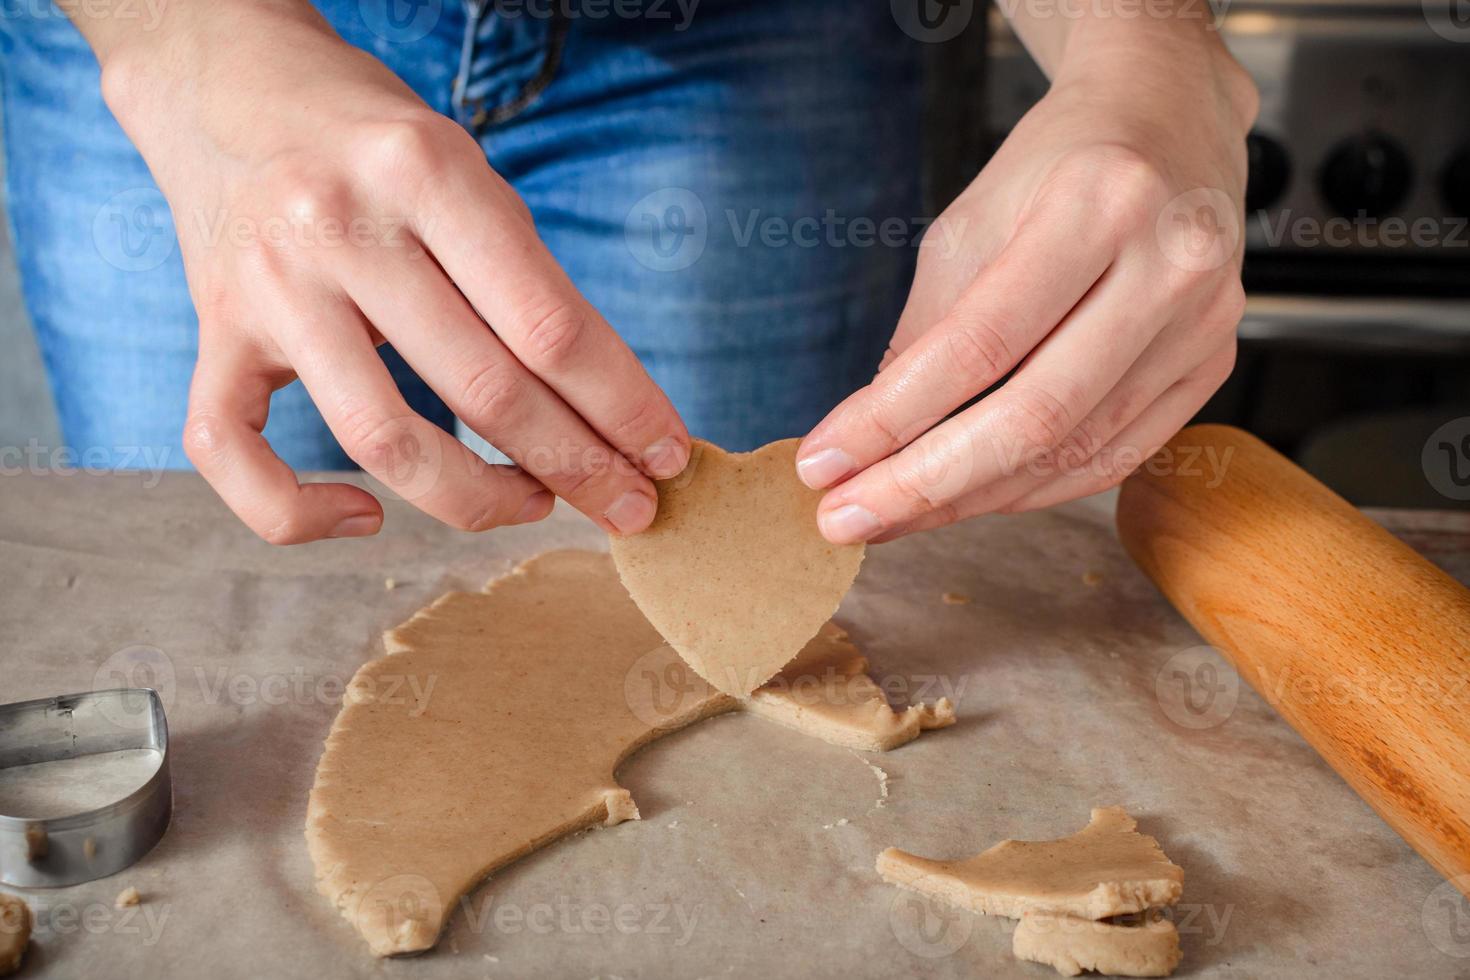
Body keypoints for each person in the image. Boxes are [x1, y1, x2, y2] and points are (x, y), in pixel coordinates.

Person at [1, 0, 1254, 546]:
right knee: (224, 590)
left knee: (716, 567)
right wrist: (180, 38)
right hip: (194, 46)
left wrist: (1141, 48)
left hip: (741, 43)